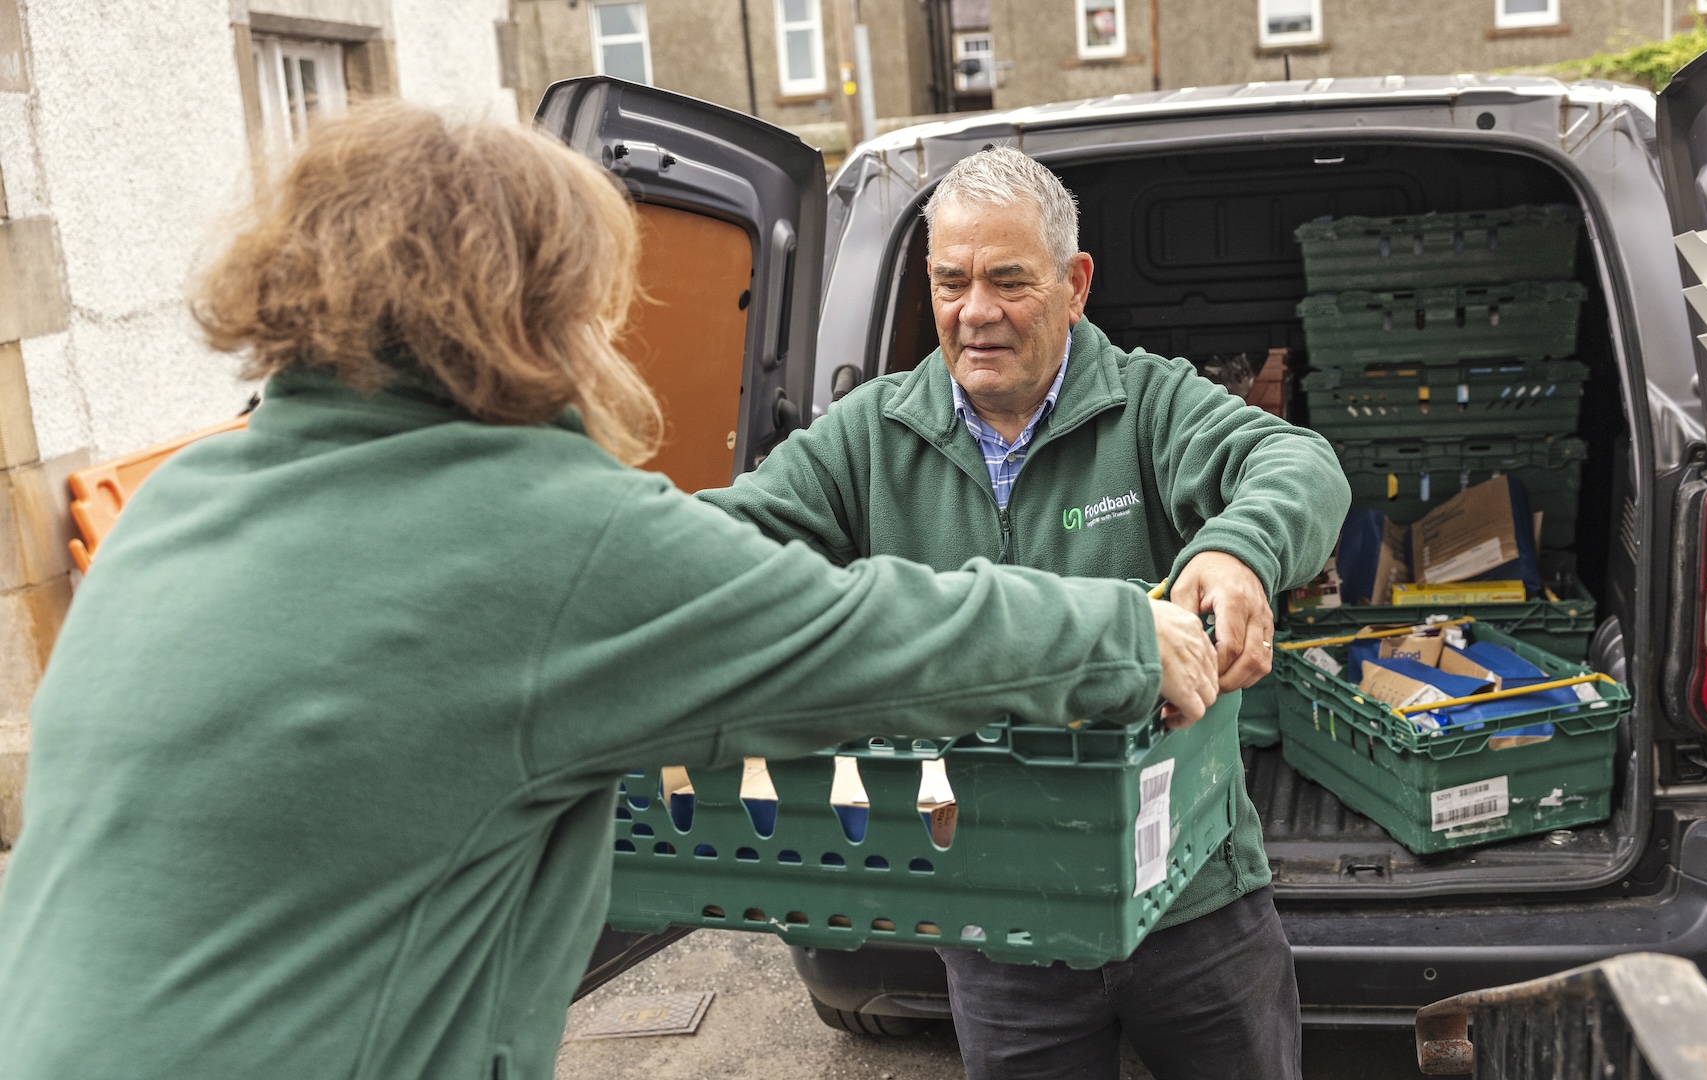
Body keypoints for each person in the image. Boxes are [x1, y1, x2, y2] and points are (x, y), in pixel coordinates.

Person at [0, 104, 1226, 1080]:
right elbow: (872, 637)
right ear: (536, 308)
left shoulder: (177, 505)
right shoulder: (542, 538)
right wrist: (1125, 631)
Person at [701, 145, 1351, 1079]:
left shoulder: (1147, 403)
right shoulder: (869, 437)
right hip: (994, 907)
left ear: (1075, 285)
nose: (975, 312)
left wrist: (1240, 548)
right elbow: (723, 546)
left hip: (1191, 898)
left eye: (1009, 281)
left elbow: (1297, 463)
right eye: (951, 282)